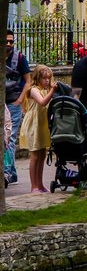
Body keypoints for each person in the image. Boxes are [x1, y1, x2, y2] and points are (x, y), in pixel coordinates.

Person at [19, 65, 54, 193]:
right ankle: (33, 186)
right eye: (44, 78)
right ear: (38, 78)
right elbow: (43, 102)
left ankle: (40, 184)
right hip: (34, 124)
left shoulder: (46, 89)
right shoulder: (33, 89)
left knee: (42, 154)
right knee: (35, 155)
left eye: (49, 79)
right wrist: (52, 91)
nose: (47, 81)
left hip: (42, 124)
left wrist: (51, 90)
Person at [5, 30, 30, 185]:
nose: (9, 44)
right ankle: (12, 174)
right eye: (6, 41)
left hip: (13, 102)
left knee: (9, 138)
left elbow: (28, 81)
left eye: (11, 42)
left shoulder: (20, 58)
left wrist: (19, 100)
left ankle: (6, 173)